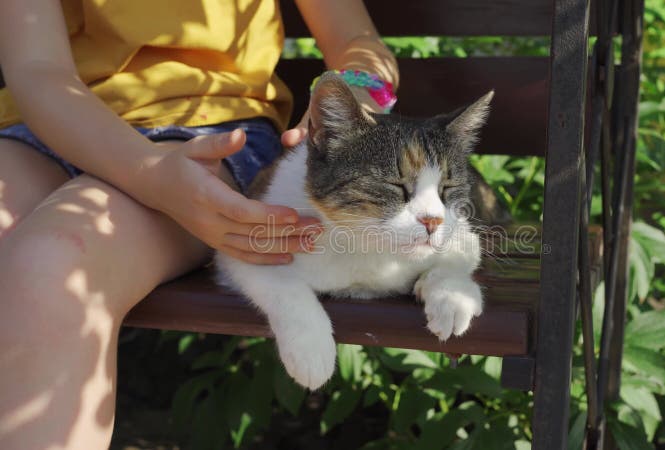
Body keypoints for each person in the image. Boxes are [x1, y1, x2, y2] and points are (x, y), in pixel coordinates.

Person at [0, 0, 399, 448]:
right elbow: (38, 69)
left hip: (204, 133)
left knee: (55, 265)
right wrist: (145, 172)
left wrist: (354, 102)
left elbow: (357, 45)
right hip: (47, 128)